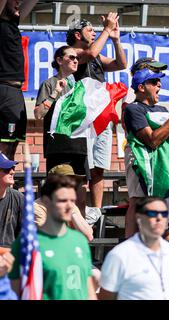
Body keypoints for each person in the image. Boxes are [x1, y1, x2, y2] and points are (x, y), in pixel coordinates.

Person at [122, 68, 169, 237]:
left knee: (168, 214)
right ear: (141, 87)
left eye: (159, 81)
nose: (159, 84)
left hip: (165, 166)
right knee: (139, 202)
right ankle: (131, 247)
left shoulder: (162, 109)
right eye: (154, 82)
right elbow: (152, 141)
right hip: (143, 164)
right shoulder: (133, 109)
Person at [67, 15, 127, 210]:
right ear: (78, 34)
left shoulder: (97, 54)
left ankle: (97, 212)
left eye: (95, 29)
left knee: (98, 168)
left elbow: (121, 64)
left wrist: (116, 39)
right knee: (83, 169)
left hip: (102, 116)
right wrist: (107, 30)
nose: (94, 32)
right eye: (89, 29)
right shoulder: (74, 53)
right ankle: (81, 212)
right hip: (83, 119)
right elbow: (91, 54)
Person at [9, 175, 97, 300]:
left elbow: (89, 292)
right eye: (62, 201)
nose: (69, 206)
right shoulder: (27, 243)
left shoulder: (79, 241)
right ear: (46, 201)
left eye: (72, 201)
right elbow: (15, 292)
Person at [34, 45, 89, 216]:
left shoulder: (82, 85)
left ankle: (78, 234)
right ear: (59, 60)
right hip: (59, 147)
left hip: (79, 146)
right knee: (61, 193)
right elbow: (37, 114)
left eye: (77, 58)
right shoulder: (49, 84)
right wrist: (55, 92)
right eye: (71, 57)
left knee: (80, 195)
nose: (75, 60)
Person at [98, 197, 169, 300]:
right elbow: (105, 297)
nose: (159, 218)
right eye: (152, 213)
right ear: (139, 218)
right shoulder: (120, 254)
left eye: (164, 214)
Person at [0, 0, 38, 160]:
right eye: (14, 0)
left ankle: (4, 182)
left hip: (16, 91)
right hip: (3, 88)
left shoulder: (13, 22)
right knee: (3, 144)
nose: (18, 3)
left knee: (13, 142)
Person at [34, 164, 93, 242]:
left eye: (72, 182)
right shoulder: (37, 207)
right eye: (64, 183)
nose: (71, 187)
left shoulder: (70, 205)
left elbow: (89, 235)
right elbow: (50, 236)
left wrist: (72, 213)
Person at [0, 152, 23, 248]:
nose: (12, 172)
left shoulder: (19, 198)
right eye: (7, 169)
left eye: (13, 168)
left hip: (12, 256)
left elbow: (25, 235)